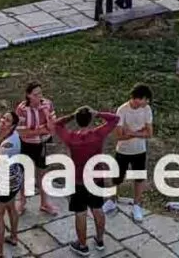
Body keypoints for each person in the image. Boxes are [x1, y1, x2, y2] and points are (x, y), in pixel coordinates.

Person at [53, 106, 121, 255]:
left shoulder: (72, 138)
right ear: (90, 120)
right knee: (98, 209)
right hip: (96, 178)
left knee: (80, 213)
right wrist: (98, 113)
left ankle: (82, 246)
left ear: (77, 121)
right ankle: (100, 239)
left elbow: (57, 124)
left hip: (78, 180)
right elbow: (115, 119)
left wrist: (71, 115)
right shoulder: (98, 135)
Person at [104, 84, 153, 221]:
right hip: (123, 150)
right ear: (138, 99)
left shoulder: (147, 109)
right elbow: (119, 135)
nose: (147, 102)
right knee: (117, 177)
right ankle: (111, 200)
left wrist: (130, 132)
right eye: (146, 99)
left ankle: (137, 205)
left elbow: (149, 133)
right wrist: (139, 132)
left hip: (139, 150)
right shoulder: (122, 110)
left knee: (139, 178)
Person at [16, 82, 58, 216]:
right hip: (27, 144)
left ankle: (44, 202)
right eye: (36, 94)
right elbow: (21, 132)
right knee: (24, 172)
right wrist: (40, 130)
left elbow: (53, 127)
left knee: (42, 172)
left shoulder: (47, 104)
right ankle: (22, 201)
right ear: (28, 95)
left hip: (43, 143)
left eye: (40, 93)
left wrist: (46, 127)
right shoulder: (22, 109)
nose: (39, 97)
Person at [0, 110, 24, 257]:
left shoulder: (6, 145)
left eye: (7, 120)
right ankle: (14, 236)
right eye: (3, 117)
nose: (3, 121)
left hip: (5, 182)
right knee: (11, 207)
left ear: (12, 126)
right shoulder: (16, 136)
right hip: (16, 178)